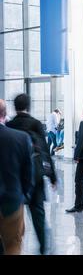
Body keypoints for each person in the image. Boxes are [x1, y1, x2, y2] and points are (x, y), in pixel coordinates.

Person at [6, 94, 57, 255]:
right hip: (35, 176)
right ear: (29, 106)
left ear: (15, 107)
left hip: (15, 178)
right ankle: (43, 248)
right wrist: (52, 176)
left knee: (13, 216)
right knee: (38, 215)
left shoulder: (10, 125)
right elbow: (45, 153)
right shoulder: (36, 124)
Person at [0, 99, 34, 255]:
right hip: (12, 202)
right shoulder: (20, 138)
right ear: (4, 114)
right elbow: (28, 174)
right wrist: (24, 195)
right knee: (13, 246)